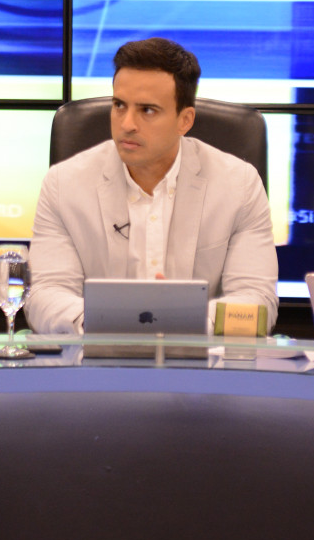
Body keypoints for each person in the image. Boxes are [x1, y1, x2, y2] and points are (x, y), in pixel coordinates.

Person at [26, 37, 278, 334]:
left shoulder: (239, 185)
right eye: (119, 105)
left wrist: (178, 321)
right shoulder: (64, 184)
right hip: (94, 358)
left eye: (147, 110)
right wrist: (108, 322)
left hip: (202, 360)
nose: (127, 124)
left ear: (185, 120)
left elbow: (257, 301)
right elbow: (44, 294)